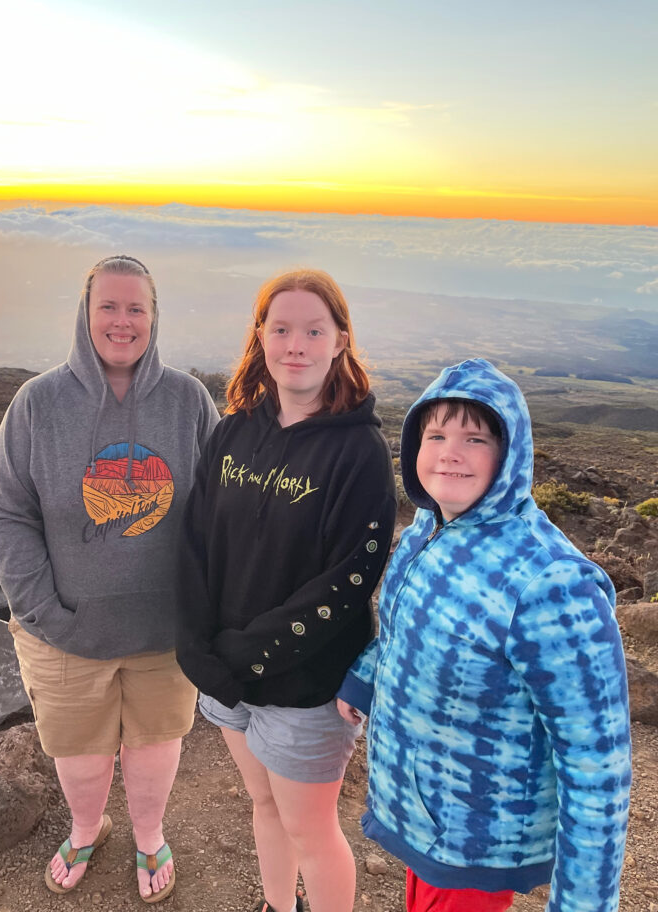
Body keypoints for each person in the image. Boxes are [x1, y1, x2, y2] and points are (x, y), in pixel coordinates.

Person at [337, 358, 631, 912]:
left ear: (511, 455)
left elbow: (597, 764)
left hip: (480, 834)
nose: (450, 451)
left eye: (475, 438)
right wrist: (364, 680)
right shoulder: (429, 528)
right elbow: (405, 630)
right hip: (427, 813)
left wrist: (584, 903)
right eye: (437, 434)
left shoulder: (551, 582)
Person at [0, 255, 219, 902]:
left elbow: (220, 511)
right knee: (80, 757)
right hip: (64, 631)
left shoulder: (187, 401)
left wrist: (204, 608)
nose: (122, 321)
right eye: (108, 307)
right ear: (85, 316)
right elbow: (3, 513)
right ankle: (87, 829)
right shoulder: (39, 403)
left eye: (135, 308)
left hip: (164, 635)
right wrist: (46, 612)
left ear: (154, 318)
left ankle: (149, 836)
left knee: (156, 746)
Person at [176, 269, 397, 912]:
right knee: (264, 804)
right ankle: (276, 904)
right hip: (224, 672)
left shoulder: (357, 451)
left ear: (340, 341)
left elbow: (353, 578)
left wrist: (245, 654)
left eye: (312, 330)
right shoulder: (234, 431)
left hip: (305, 687)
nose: (294, 344)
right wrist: (195, 645)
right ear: (261, 339)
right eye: (280, 329)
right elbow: (195, 541)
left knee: (311, 828)